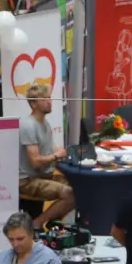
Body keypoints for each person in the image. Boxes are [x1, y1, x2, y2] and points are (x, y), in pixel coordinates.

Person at [17, 82, 77, 228]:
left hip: (44, 175)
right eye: (44, 99)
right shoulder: (28, 126)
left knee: (79, 188)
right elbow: (36, 162)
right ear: (33, 104)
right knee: (69, 194)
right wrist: (57, 156)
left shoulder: (45, 123)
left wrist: (67, 152)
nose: (50, 102)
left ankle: (53, 224)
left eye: (49, 98)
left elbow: (52, 148)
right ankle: (38, 223)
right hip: (27, 180)